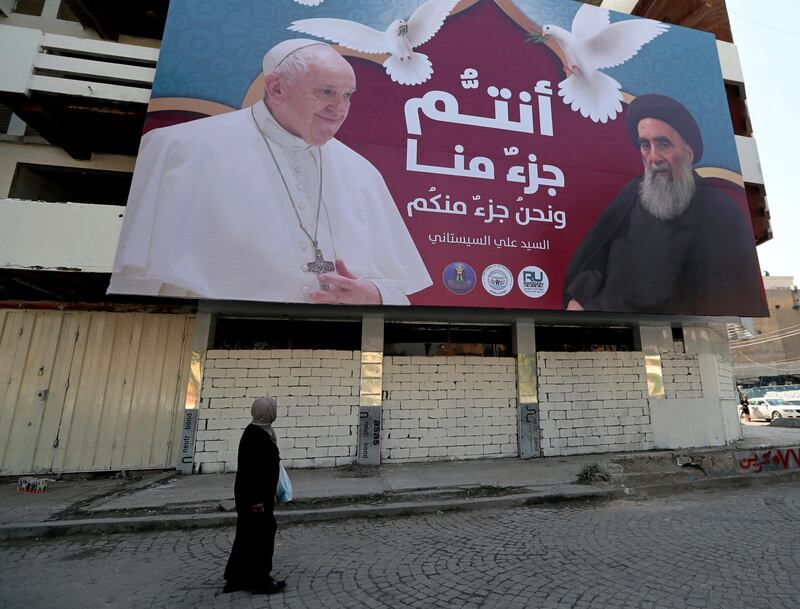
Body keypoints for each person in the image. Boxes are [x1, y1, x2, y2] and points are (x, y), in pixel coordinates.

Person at [108, 39, 432, 305]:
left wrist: (374, 295)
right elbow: (132, 280)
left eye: (347, 96)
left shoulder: (363, 173)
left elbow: (397, 290)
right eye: (326, 92)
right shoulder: (178, 148)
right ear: (276, 88)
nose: (340, 109)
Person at [562, 94, 765, 316]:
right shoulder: (633, 191)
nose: (653, 157)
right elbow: (596, 255)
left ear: (688, 153)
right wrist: (579, 296)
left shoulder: (720, 210)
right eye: (645, 145)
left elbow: (726, 296)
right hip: (606, 316)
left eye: (664, 144)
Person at [223, 396, 286, 594]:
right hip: (256, 499)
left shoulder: (256, 431)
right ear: (267, 413)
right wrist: (257, 501)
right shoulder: (257, 437)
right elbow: (252, 472)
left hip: (252, 497)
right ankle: (261, 580)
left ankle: (235, 578)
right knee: (262, 536)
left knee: (246, 535)